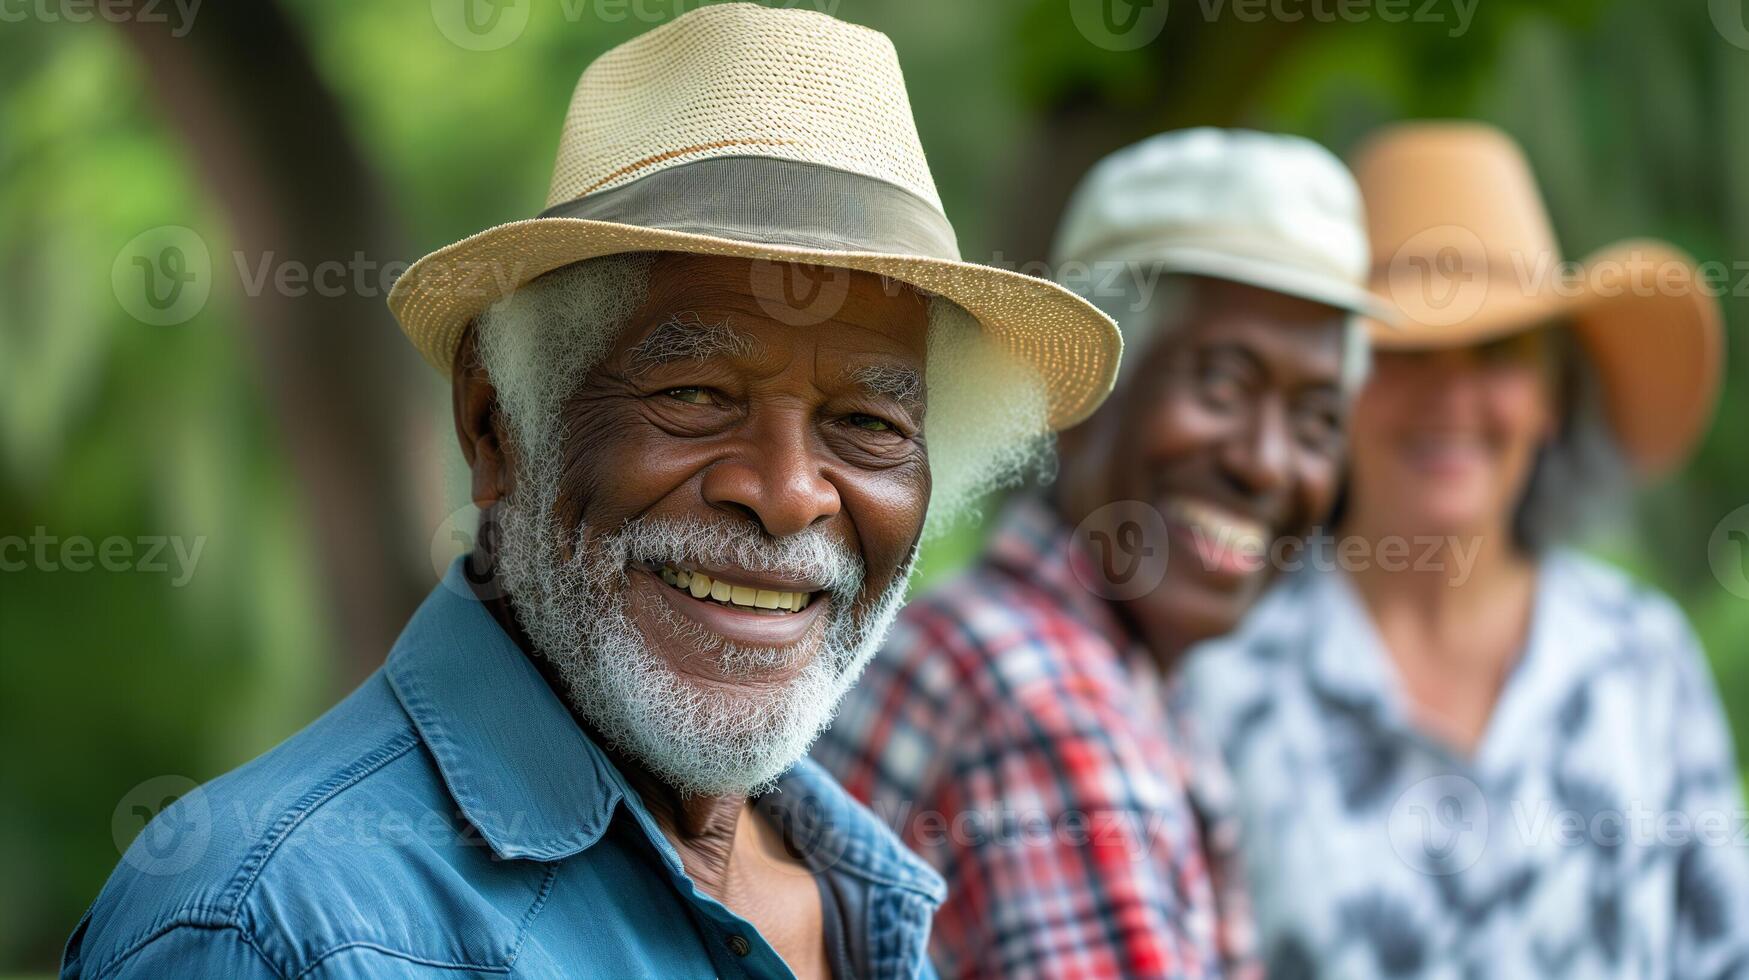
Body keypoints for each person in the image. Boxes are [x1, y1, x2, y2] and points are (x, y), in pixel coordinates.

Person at [61, 6, 1121, 978]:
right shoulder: (273, 925)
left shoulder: (859, 894)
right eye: (697, 392)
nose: (790, 495)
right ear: (495, 423)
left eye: (868, 425)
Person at [1181, 121, 1749, 978]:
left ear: (1554, 395)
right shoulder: (1224, 675)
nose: (1451, 396)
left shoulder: (1644, 661)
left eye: (1496, 352)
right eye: (1404, 351)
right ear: (1333, 389)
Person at [816, 128, 1382, 978]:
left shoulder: (1077, 661)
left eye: (1316, 422)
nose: (1264, 463)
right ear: (1075, 400)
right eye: (1221, 385)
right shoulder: (1045, 704)